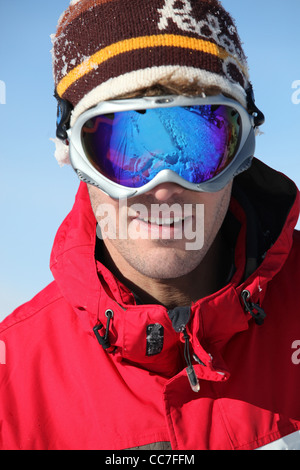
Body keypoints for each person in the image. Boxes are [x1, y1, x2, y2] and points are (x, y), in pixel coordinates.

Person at [0, 0, 300, 451]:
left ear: (241, 151)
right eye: (124, 146)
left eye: (197, 141)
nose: (163, 187)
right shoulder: (12, 389)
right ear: (76, 159)